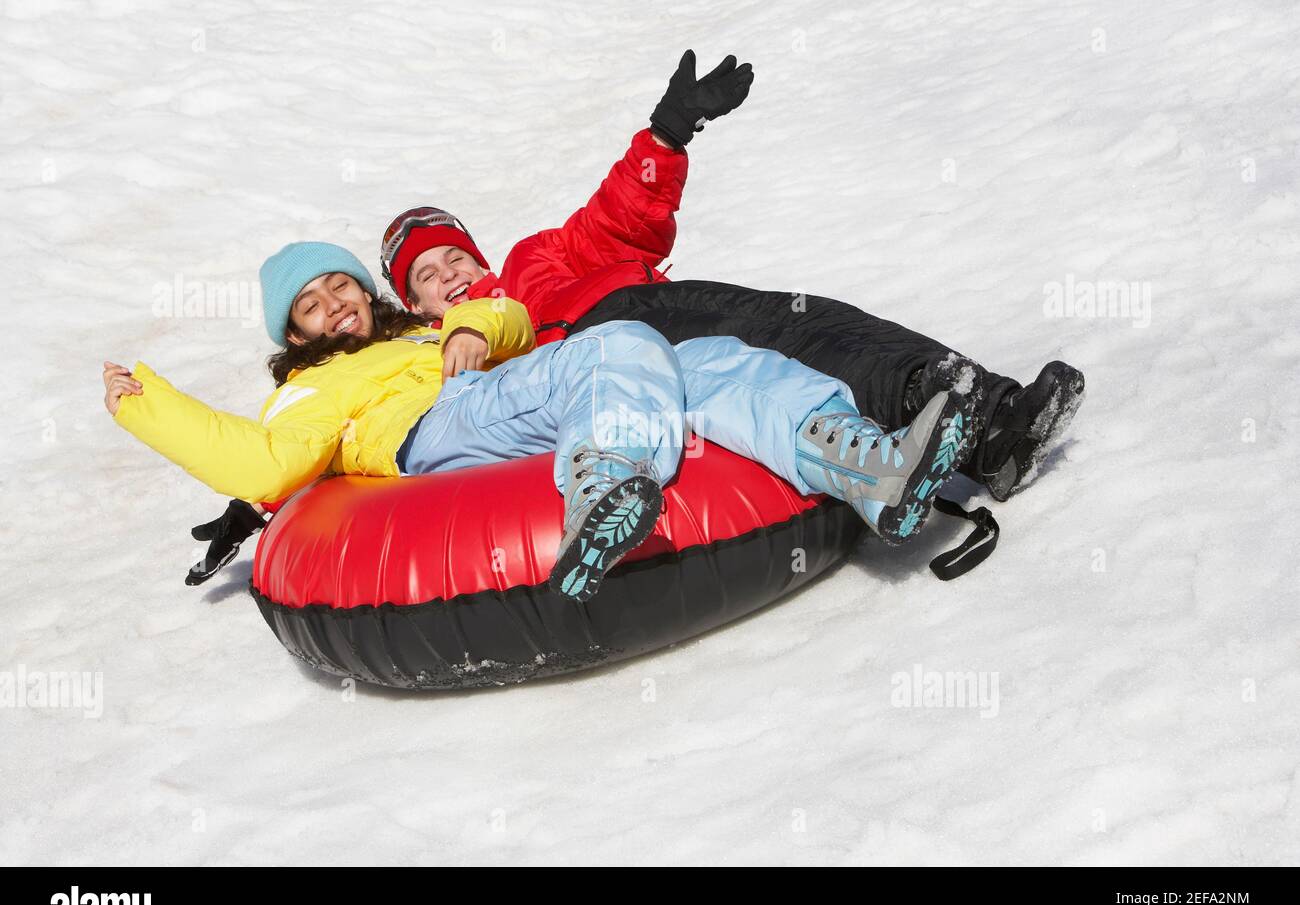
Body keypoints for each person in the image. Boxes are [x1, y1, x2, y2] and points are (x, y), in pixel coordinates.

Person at [185, 50, 1083, 581]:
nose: (453, 278)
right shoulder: (436, 359)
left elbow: (615, 220)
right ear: (410, 307)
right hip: (618, 355)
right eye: (430, 279)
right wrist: (257, 503)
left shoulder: (536, 267)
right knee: (764, 351)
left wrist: (664, 136)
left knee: (810, 325)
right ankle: (937, 439)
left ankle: (981, 413)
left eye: (459, 260)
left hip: (646, 308)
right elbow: (337, 416)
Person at [108, 242, 975, 603]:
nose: (333, 305)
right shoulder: (309, 389)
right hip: (432, 438)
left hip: (502, 395)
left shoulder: (423, 327)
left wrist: (472, 328)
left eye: (338, 286)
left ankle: (867, 468)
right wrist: (150, 404)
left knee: (711, 361)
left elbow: (514, 320)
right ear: (292, 334)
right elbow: (266, 467)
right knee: (622, 338)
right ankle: (603, 487)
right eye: (309, 304)